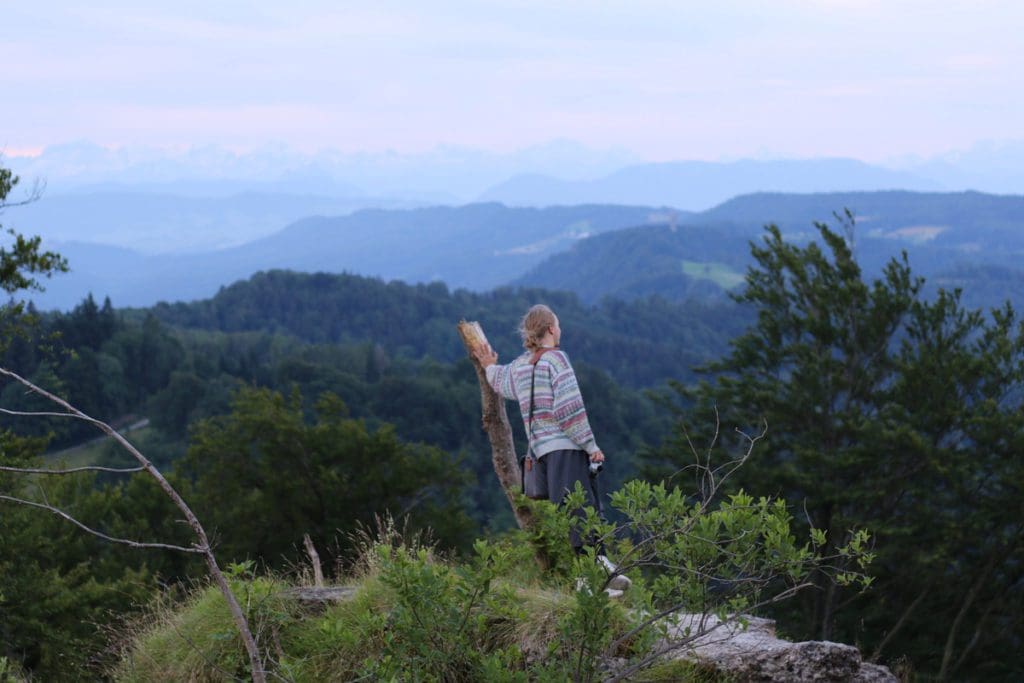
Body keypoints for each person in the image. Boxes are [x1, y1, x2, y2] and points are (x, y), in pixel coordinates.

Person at [472, 304, 629, 591]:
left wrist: (488, 364)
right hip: (567, 447)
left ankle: (594, 579)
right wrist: (591, 445)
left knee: (574, 513)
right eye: (559, 325)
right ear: (552, 329)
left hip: (542, 454)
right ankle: (597, 579)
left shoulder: (521, 366)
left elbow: (500, 382)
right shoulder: (557, 360)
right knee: (583, 511)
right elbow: (570, 410)